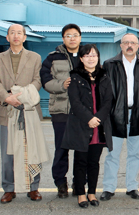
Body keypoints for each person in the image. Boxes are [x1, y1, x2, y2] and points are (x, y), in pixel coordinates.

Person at [0, 24, 47, 203]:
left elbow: (38, 79)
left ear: (24, 37)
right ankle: (9, 188)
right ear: (7, 37)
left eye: (19, 33)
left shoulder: (35, 58)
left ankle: (33, 187)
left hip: (29, 110)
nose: (16, 36)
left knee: (32, 150)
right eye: (12, 33)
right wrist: (7, 98)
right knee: (8, 153)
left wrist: (23, 96)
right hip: (7, 111)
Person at [61, 44, 113, 208]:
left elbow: (108, 101)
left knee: (94, 162)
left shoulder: (104, 75)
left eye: (94, 55)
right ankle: (81, 194)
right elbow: (75, 103)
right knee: (80, 162)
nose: (91, 58)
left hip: (99, 126)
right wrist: (89, 118)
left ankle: (91, 192)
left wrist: (98, 118)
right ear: (82, 58)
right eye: (87, 55)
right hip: (82, 125)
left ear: (98, 57)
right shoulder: (75, 77)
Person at [100, 33, 139, 201]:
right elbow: (102, 92)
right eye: (126, 42)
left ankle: (132, 187)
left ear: (137, 46)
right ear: (120, 45)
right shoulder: (109, 64)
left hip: (137, 114)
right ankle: (108, 188)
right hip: (115, 115)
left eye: (133, 43)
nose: (129, 45)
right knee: (112, 154)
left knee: (134, 154)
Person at [40, 23, 82, 198]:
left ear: (80, 37)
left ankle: (79, 183)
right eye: (68, 36)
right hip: (61, 110)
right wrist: (61, 85)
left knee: (82, 150)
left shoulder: (87, 54)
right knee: (61, 149)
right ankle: (60, 183)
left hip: (82, 112)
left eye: (75, 35)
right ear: (63, 38)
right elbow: (45, 80)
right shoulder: (53, 57)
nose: (72, 38)